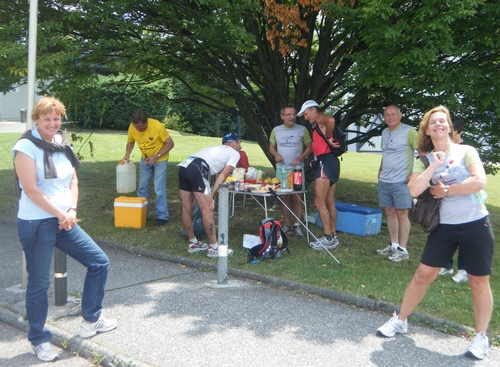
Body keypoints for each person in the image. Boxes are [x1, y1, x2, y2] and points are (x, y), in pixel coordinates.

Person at [376, 106, 494, 361]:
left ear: (449, 126)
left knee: (477, 281)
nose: (438, 125)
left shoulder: (466, 151)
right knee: (422, 275)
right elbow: (415, 190)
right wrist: (433, 165)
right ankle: (400, 320)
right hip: (445, 227)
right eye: (433, 123)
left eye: (442, 121)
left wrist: (449, 191)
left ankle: (481, 337)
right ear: (427, 130)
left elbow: (479, 181)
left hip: (475, 224)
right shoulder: (425, 157)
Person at [12, 96, 117, 362]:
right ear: (36, 119)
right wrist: (61, 213)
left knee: (98, 262)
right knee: (39, 283)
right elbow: (31, 190)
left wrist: (71, 210)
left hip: (63, 220)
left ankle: (91, 320)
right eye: (46, 118)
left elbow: (73, 180)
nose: (52, 122)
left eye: (56, 118)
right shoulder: (25, 146)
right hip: (36, 223)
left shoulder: (61, 142)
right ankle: (38, 340)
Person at [178, 132, 242, 257]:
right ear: (234, 142)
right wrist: (211, 196)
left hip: (184, 166)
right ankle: (214, 248)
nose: (240, 147)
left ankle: (193, 243)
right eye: (240, 143)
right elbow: (223, 174)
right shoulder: (234, 153)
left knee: (187, 208)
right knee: (208, 210)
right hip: (197, 169)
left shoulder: (214, 149)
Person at [376, 105, 418, 262]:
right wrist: (380, 170)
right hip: (385, 180)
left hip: (401, 180)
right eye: (387, 115)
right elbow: (385, 153)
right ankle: (393, 245)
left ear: (400, 116)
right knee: (389, 211)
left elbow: (422, 152)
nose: (390, 117)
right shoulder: (385, 132)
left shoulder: (409, 131)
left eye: (393, 114)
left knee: (402, 213)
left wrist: (415, 175)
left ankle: (403, 249)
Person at [297, 100, 340, 250]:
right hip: (330, 162)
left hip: (326, 163)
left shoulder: (321, 120)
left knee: (318, 202)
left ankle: (328, 238)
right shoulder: (316, 126)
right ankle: (333, 235)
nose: (306, 117)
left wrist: (328, 137)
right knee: (329, 201)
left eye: (307, 114)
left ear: (314, 110)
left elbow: (331, 120)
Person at [123, 109, 174, 226]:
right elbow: (131, 141)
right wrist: (127, 154)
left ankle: (162, 216)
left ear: (146, 122)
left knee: (159, 188)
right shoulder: (132, 127)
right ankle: (142, 213)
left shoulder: (157, 126)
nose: (138, 129)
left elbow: (170, 143)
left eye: (140, 127)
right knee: (142, 187)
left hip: (160, 159)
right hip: (145, 160)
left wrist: (157, 156)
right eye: (136, 127)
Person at [269, 104, 312, 237]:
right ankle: (287, 225)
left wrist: (300, 158)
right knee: (284, 198)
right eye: (288, 114)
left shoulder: (302, 129)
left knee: (297, 197)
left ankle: (297, 225)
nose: (291, 117)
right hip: (281, 170)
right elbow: (271, 147)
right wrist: (276, 155)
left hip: (296, 170)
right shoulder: (276, 130)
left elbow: (309, 147)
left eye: (293, 114)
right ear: (282, 116)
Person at [439, 117, 468, 282]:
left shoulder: (467, 150)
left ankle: (464, 269)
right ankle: (446, 265)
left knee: (463, 236)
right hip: (446, 200)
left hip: (465, 201)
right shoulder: (443, 150)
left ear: (459, 132)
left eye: (451, 133)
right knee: (446, 234)